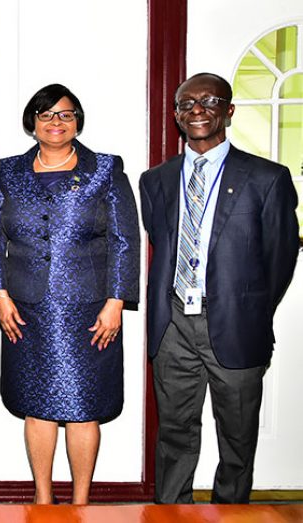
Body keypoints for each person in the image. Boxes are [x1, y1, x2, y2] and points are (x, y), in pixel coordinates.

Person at [139, 72, 298, 504]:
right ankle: (172, 512)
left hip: (236, 324)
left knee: (237, 436)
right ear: (175, 115)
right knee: (173, 432)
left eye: (209, 101)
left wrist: (252, 308)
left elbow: (282, 257)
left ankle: (231, 513)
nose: (197, 109)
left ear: (228, 110)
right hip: (171, 325)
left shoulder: (268, 178)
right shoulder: (154, 180)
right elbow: (162, 242)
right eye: (186, 103)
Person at [0, 84, 140, 504]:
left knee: (83, 407)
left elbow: (125, 239)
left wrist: (116, 303)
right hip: (25, 310)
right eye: (46, 114)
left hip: (90, 312)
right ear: (32, 122)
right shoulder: (8, 171)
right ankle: (42, 499)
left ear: (78, 122)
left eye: (66, 114)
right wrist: (0, 296)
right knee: (37, 405)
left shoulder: (105, 170)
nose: (56, 122)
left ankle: (81, 503)